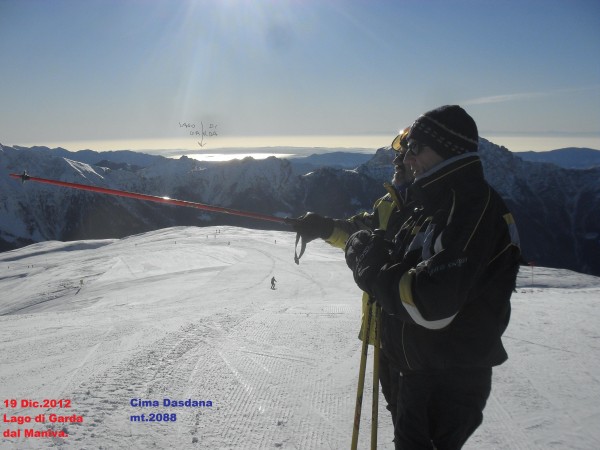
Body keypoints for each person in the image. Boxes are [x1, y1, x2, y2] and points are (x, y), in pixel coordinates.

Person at [344, 105, 521, 449]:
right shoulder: (429, 203)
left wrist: (371, 268)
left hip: (446, 379)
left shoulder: (472, 208)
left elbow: (431, 303)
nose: (407, 158)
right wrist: (370, 252)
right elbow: (400, 260)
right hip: (413, 367)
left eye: (415, 148)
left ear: (447, 148)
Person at [287, 127, 414, 430]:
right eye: (398, 153)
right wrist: (324, 227)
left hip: (419, 339)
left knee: (421, 428)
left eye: (408, 151)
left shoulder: (437, 207)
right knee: (402, 418)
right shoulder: (387, 204)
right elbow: (358, 232)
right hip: (384, 331)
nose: (398, 158)